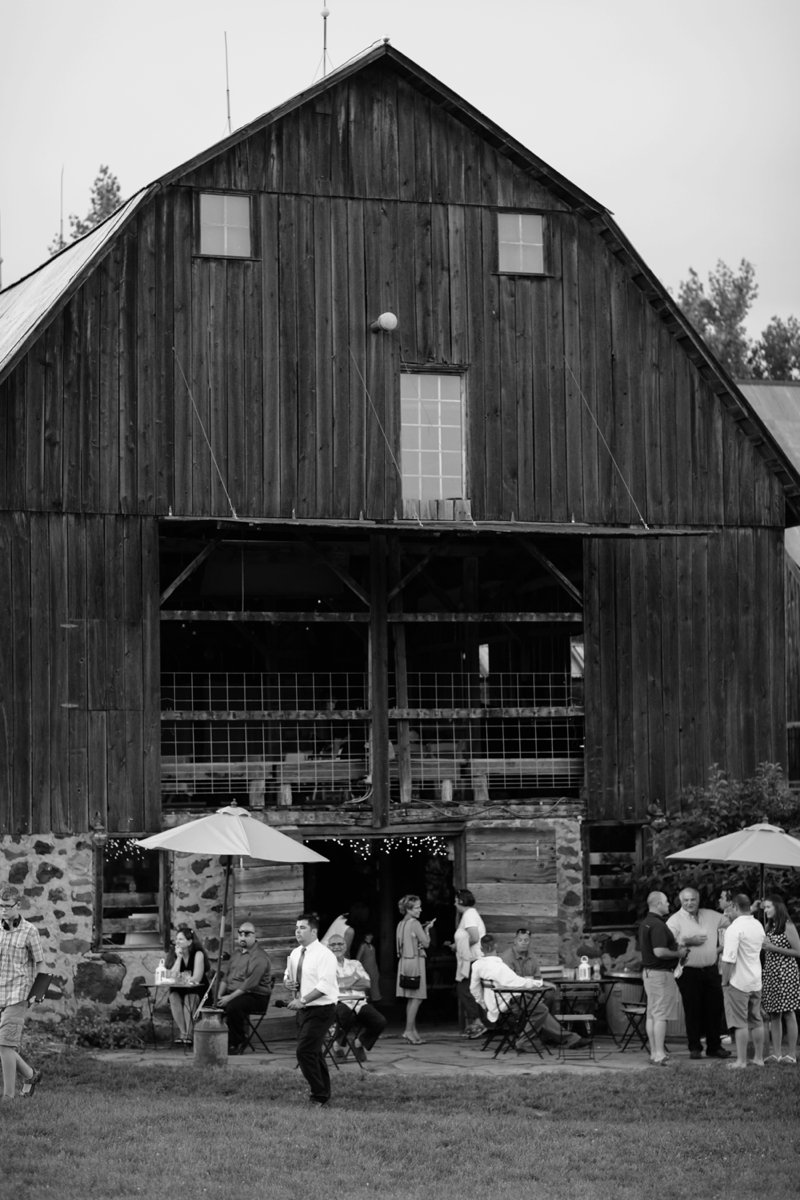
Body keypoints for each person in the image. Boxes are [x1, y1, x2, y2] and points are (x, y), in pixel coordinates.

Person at [470, 934, 590, 1049]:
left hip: (498, 1005)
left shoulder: (477, 965)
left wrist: (484, 1004)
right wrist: (540, 983)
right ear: (496, 946)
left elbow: (474, 989)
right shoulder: (499, 966)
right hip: (510, 1003)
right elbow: (517, 982)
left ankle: (565, 1038)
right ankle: (525, 1041)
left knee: (541, 1005)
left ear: (481, 948)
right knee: (541, 1009)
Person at [666, 887, 730, 1059]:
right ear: (681, 901)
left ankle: (714, 1047)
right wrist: (687, 941)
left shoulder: (711, 915)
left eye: (692, 899)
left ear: (698, 899)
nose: (689, 903)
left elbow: (732, 922)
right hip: (688, 971)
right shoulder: (675, 920)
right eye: (686, 900)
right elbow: (667, 943)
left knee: (714, 1009)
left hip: (710, 970)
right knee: (693, 1010)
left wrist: (751, 910)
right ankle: (694, 1047)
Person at [284, 912, 339, 1105]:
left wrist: (303, 1000)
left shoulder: (325, 955)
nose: (298, 931)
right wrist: (288, 983)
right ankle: (324, 1094)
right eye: (297, 927)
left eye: (303, 928)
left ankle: (318, 1094)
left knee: (304, 1052)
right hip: (303, 1011)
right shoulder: (295, 953)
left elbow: (325, 986)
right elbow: (288, 976)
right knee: (314, 1052)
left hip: (321, 1010)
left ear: (314, 931)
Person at [0, 886, 45, 1101]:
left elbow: (41, 965)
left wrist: (38, 993)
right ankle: (30, 1074)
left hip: (18, 995)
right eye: (0, 906)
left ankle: (8, 1097)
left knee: (5, 1045)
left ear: (18, 906)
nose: (2, 911)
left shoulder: (30, 931)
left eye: (7, 907)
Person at [638, 891, 688, 1066]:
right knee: (660, 1015)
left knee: (652, 1014)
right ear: (658, 904)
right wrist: (679, 953)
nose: (668, 905)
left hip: (649, 973)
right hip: (660, 974)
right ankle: (660, 1054)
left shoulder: (646, 923)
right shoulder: (658, 925)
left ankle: (654, 1052)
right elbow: (659, 951)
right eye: (666, 902)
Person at [720, 892, 767, 1070]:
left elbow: (729, 959)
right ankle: (758, 1058)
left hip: (738, 981)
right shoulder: (758, 925)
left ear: (734, 906)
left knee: (739, 1023)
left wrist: (724, 981)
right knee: (756, 1021)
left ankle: (741, 1061)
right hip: (755, 979)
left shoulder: (734, 929)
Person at [327, 932, 387, 1062]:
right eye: (333, 944)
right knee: (346, 1015)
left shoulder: (355, 964)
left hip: (359, 1002)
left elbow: (366, 983)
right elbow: (333, 986)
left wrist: (343, 982)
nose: (337, 947)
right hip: (339, 1002)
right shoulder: (325, 966)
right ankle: (337, 1046)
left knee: (380, 1021)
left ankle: (359, 1043)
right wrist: (353, 979)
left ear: (346, 946)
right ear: (328, 947)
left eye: (340, 944)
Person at [216, 919, 273, 1055]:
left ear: (255, 936)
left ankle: (237, 1042)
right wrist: (219, 994)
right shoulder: (236, 954)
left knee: (233, 1006)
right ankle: (216, 1040)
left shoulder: (259, 957)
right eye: (240, 933)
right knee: (211, 1004)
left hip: (256, 996)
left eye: (247, 934)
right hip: (235, 993)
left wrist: (228, 998)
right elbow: (226, 977)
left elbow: (250, 984)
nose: (242, 936)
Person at [760, 895, 800, 1064]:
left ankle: (791, 1054)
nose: (766, 910)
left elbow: (798, 951)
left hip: (786, 973)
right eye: (765, 907)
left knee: (788, 1012)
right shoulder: (769, 926)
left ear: (777, 907)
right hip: (771, 973)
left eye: (768, 907)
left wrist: (773, 948)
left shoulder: (787, 926)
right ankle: (776, 1054)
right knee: (774, 1014)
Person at [445, 888, 486, 1039]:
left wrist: (459, 946)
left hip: (472, 959)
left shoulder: (469, 915)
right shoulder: (470, 914)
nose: (454, 904)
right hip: (471, 958)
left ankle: (478, 1022)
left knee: (464, 989)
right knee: (470, 989)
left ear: (461, 901)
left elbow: (474, 937)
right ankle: (478, 1022)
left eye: (456, 901)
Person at [395, 894, 434, 1045]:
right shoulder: (415, 923)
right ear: (409, 909)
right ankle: (408, 1030)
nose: (420, 910)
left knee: (412, 998)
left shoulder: (400, 924)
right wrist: (428, 930)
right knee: (417, 998)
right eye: (417, 907)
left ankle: (412, 1030)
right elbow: (426, 943)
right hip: (415, 961)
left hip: (404, 961)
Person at [165, 924, 210, 1043]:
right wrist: (179, 958)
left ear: (189, 942)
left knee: (189, 997)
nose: (177, 942)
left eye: (180, 939)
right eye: (176, 939)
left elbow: (197, 978)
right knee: (173, 996)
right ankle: (183, 1032)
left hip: (197, 989)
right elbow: (171, 977)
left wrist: (180, 979)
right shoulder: (174, 954)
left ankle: (188, 1034)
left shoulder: (198, 954)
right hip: (180, 988)